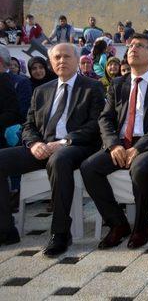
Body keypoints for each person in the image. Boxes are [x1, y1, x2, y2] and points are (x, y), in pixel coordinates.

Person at [0, 43, 105, 255]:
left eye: (67, 56)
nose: (61, 61)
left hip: (76, 147)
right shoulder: (41, 90)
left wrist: (64, 142)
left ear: (77, 60)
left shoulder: (92, 87)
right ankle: (5, 229)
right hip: (43, 146)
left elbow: (95, 125)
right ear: (51, 63)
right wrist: (34, 143)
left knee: (59, 159)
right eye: (57, 57)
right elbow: (28, 125)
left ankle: (60, 232)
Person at [81, 34, 148, 251]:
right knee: (89, 167)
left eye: (140, 46)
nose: (133, 49)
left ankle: (141, 227)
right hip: (120, 142)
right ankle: (118, 224)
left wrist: (139, 148)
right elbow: (105, 118)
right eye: (131, 45)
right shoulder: (118, 83)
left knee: (140, 167)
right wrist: (114, 145)